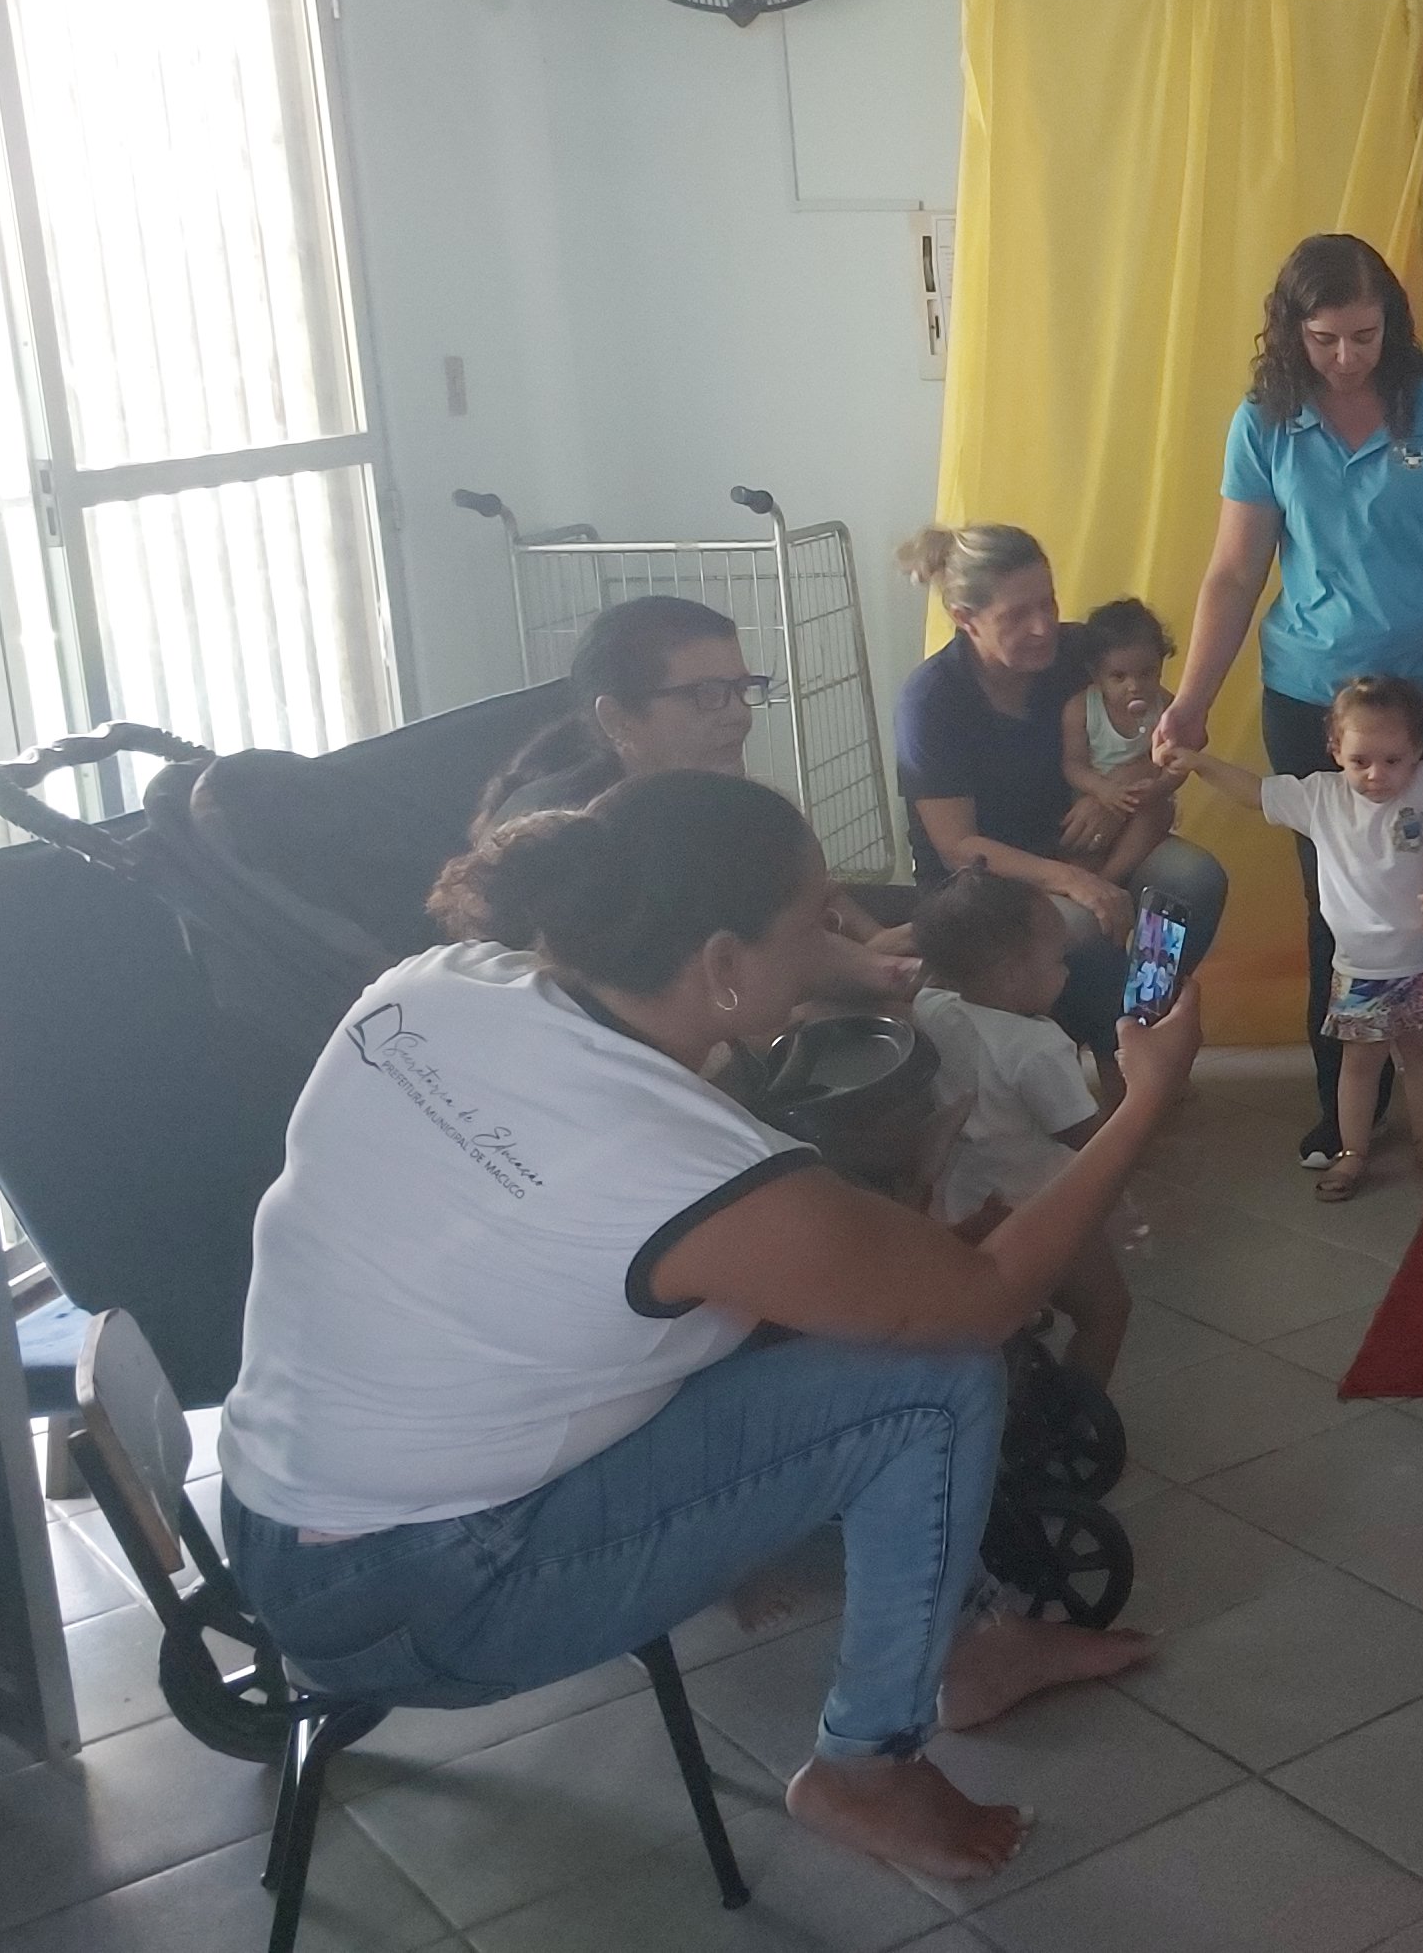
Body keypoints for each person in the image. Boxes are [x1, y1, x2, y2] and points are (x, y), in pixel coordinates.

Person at [216, 771, 1191, 1881]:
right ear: (723, 963)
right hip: (425, 1594)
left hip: (278, 1519)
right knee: (934, 1379)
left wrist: (845, 971)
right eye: (815, 920)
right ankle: (866, 1759)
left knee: (831, 1323)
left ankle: (966, 1643)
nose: (836, 937)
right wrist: (1146, 1100)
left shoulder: (436, 982)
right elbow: (981, 1300)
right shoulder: (667, 1158)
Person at [1157, 233, 1423, 1170]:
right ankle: (1346, 1110)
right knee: (1341, 904)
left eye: (1364, 336)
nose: (1346, 357)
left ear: (1391, 325)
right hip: (1314, 698)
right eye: (1324, 338)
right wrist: (1192, 699)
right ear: (1292, 331)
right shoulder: (1266, 422)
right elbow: (1234, 574)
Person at [895, 525, 1228, 1048]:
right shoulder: (932, 701)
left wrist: (1116, 787)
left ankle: (1142, 1026)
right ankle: (1106, 1049)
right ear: (964, 618)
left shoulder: (1078, 652)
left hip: (1088, 846)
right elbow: (958, 846)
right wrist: (1072, 879)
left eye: (1047, 604)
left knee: (1193, 879)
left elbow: (1169, 728)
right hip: (989, 886)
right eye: (1016, 616)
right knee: (1086, 924)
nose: (1043, 627)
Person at [1170, 677, 1423, 1204]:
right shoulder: (1320, 796)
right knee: (1360, 1063)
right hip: (1358, 968)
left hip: (1422, 962)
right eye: (1360, 761)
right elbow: (1255, 793)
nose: (1376, 775)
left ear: (1417, 750)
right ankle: (1353, 1152)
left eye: (1392, 760)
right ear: (1335, 750)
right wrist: (1197, 763)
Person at [906, 869, 1135, 1383]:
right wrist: (1142, 1094)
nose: (1066, 972)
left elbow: (931, 977)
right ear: (1011, 974)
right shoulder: (1037, 1048)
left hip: (963, 1204)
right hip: (1036, 1208)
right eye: (1058, 960)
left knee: (996, 1316)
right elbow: (1090, 1141)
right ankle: (1078, 1415)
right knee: (1106, 1310)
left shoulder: (931, 1008)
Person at [476, 596, 767, 833]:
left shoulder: (727, 806)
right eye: (706, 693)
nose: (739, 715)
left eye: (742, 687)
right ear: (617, 720)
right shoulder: (558, 841)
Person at [1060, 600, 1183, 891]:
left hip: (1143, 805)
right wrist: (1103, 790)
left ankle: (1109, 879)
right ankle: (1091, 883)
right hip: (1095, 805)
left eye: (1147, 673)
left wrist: (1160, 787)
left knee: (1161, 811)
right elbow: (1072, 765)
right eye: (1119, 677)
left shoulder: (1166, 707)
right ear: (1096, 674)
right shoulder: (1081, 709)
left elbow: (1180, 762)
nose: (1134, 686)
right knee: (1078, 851)